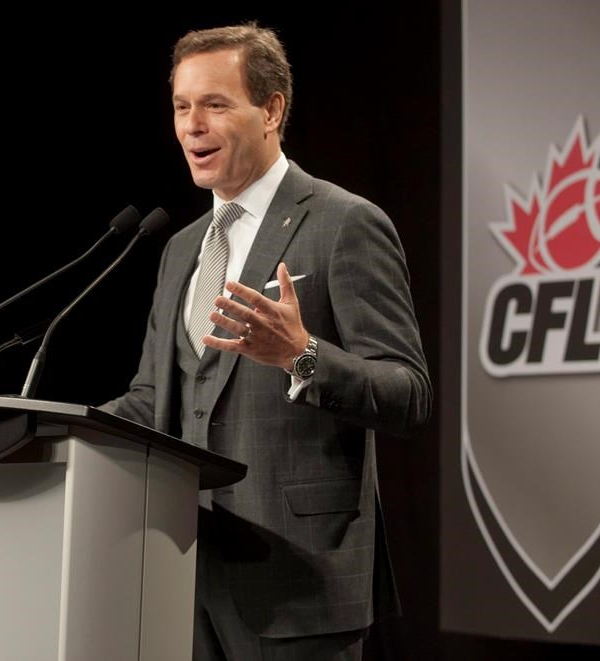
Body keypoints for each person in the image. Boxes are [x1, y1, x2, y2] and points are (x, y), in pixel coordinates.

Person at [102, 23, 431, 660]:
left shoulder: (344, 223)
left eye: (215, 104)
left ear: (272, 109)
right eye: (181, 106)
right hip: (187, 576)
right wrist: (51, 435)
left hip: (299, 581)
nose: (191, 125)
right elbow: (152, 400)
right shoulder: (180, 249)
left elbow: (408, 394)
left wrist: (300, 355)